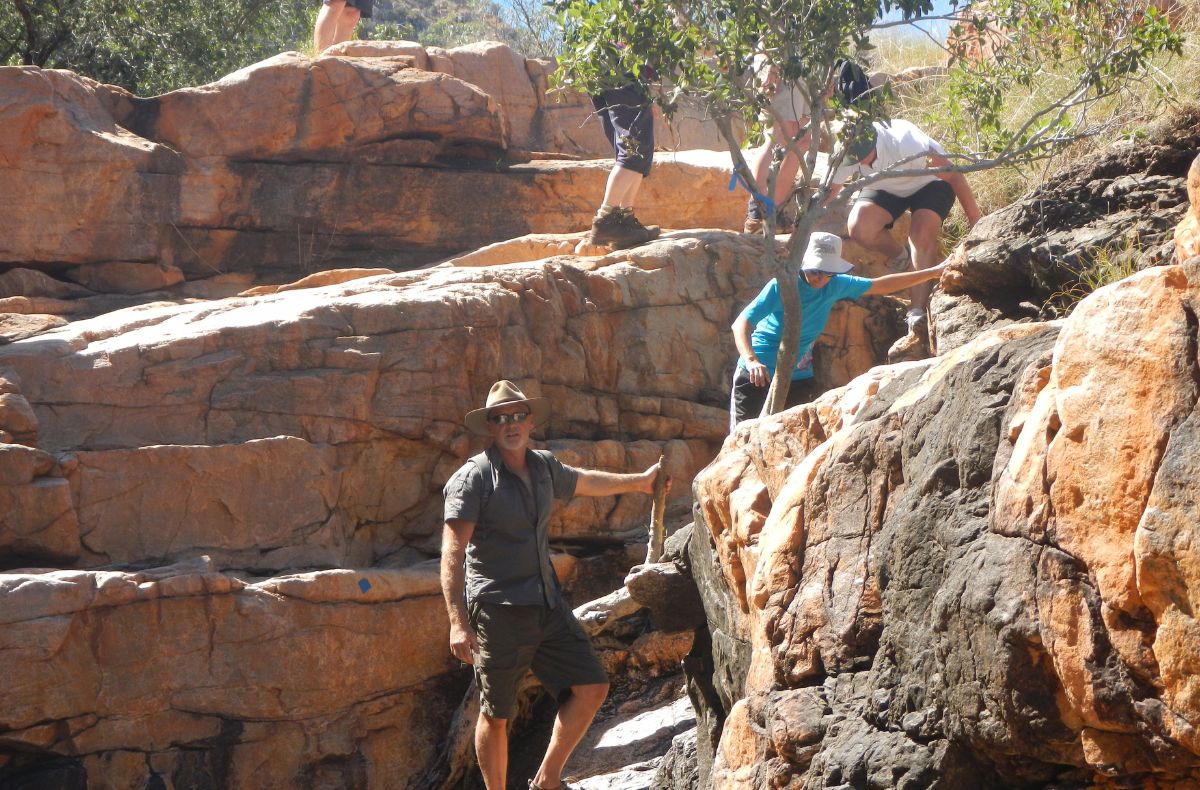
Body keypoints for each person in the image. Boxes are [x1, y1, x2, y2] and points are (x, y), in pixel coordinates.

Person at [441, 380, 663, 790]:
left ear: (529, 421)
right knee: (496, 713)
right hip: (498, 611)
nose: (510, 424)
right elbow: (452, 553)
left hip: (546, 602)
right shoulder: (472, 479)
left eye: (517, 416)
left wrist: (640, 482)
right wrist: (458, 621)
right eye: (500, 418)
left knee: (592, 686)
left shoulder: (543, 466)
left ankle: (547, 779)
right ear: (490, 426)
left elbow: (586, 482)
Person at [730, 231, 949, 427]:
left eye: (827, 272)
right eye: (815, 270)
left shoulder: (836, 284)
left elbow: (882, 284)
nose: (820, 277)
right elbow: (741, 323)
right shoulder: (783, 285)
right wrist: (751, 361)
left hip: (797, 376)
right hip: (757, 374)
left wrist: (931, 273)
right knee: (740, 440)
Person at [836, 118, 983, 359]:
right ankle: (900, 256)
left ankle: (916, 316)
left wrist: (975, 220)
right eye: (856, 159)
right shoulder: (846, 148)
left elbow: (954, 176)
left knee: (920, 237)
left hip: (930, 183)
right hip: (887, 188)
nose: (861, 162)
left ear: (876, 141)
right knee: (859, 228)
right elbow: (830, 191)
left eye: (866, 156)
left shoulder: (907, 142)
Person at [587, 83, 661, 249]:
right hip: (623, 73)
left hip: (601, 71)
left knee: (631, 151)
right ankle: (605, 220)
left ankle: (624, 221)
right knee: (634, 150)